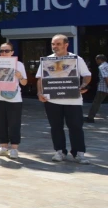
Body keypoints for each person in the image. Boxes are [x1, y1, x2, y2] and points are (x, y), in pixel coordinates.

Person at [36, 34, 91, 164]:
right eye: (53, 44)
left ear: (66, 45)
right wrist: (39, 93)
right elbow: (40, 78)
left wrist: (83, 85)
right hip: (52, 100)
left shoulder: (76, 59)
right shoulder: (46, 60)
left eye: (58, 44)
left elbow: (87, 75)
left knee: (76, 127)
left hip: (73, 100)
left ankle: (79, 153)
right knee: (56, 127)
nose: (55, 47)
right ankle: (59, 151)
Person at [0, 43, 28, 158]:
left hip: (14, 98)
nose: (4, 53)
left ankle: (14, 148)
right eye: (1, 51)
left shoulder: (19, 65)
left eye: (7, 51)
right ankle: (3, 147)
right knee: (0, 123)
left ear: (12, 52)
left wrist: (19, 76)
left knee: (14, 123)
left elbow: (24, 82)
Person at [85, 54, 108, 122]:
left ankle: (90, 117)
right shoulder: (107, 65)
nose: (96, 62)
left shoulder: (101, 67)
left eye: (96, 60)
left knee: (96, 103)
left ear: (99, 60)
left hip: (103, 88)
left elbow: (106, 77)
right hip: (104, 86)